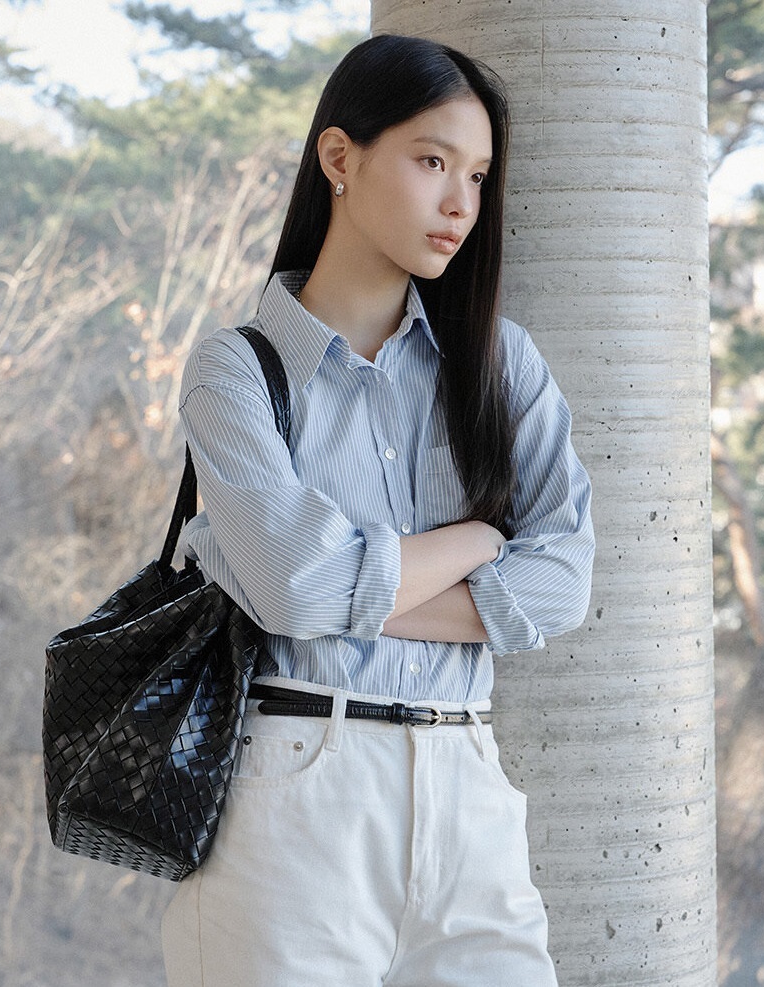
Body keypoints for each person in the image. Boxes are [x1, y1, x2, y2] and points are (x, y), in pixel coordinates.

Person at [161, 33, 594, 987]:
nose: (461, 203)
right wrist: (477, 539)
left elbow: (563, 583)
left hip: (468, 788)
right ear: (340, 158)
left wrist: (327, 588)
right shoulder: (236, 370)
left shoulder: (501, 365)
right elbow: (298, 590)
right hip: (294, 793)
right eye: (433, 161)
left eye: (477, 176)